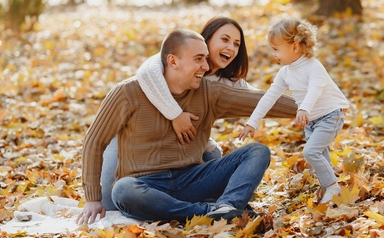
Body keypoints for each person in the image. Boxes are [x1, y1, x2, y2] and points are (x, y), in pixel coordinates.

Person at [76, 28, 297, 225]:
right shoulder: (127, 92)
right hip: (145, 183)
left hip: (193, 178)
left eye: (206, 58)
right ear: (173, 62)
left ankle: (227, 206)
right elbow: (94, 141)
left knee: (257, 151)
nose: (206, 66)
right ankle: (210, 212)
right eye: (199, 59)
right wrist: (93, 199)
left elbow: (261, 100)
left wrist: (313, 107)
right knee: (123, 190)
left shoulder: (209, 92)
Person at [100, 17, 257, 211]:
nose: (231, 48)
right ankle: (186, 205)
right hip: (138, 144)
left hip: (183, 153)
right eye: (224, 40)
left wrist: (304, 105)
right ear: (206, 40)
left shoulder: (229, 82)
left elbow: (260, 99)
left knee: (213, 153)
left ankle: (215, 207)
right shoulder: (176, 59)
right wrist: (175, 114)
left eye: (236, 44)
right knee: (109, 203)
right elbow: (146, 74)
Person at [238, 16, 350, 204]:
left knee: (311, 151)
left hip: (331, 115)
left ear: (295, 47)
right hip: (312, 121)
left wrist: (304, 108)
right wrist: (252, 121)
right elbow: (269, 97)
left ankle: (333, 187)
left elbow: (316, 88)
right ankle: (329, 192)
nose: (274, 55)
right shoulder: (285, 72)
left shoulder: (313, 67)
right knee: (320, 153)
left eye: (276, 49)